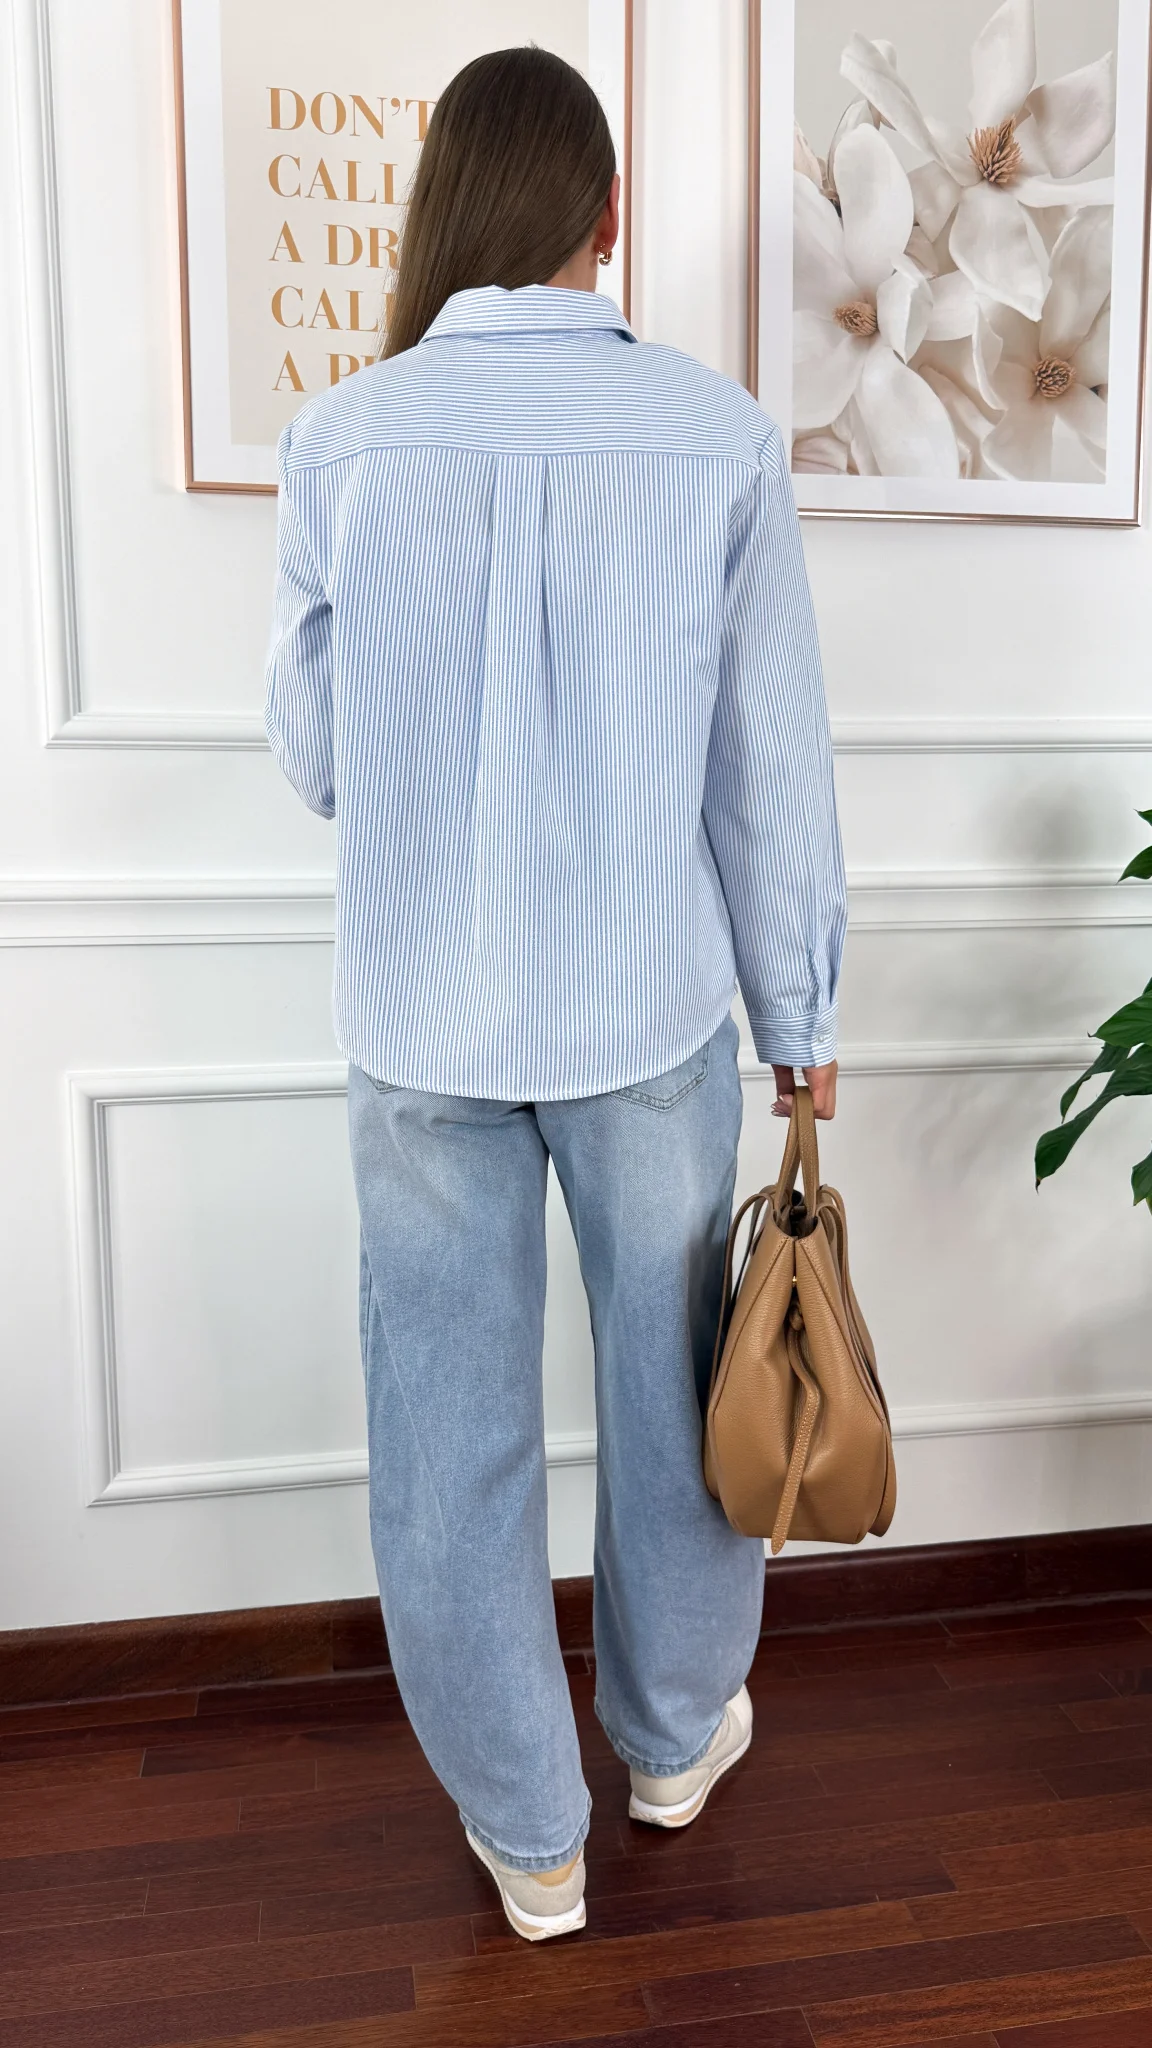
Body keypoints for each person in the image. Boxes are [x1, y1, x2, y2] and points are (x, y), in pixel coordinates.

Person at [266, 45, 844, 1943]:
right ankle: (672, 1743)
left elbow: (319, 760)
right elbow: (767, 771)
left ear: (449, 201)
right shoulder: (719, 438)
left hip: (421, 1021)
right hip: (645, 1017)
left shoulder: (345, 441)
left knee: (450, 1440)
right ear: (608, 215)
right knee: (679, 1398)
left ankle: (529, 1836)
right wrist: (802, 1020)